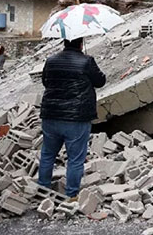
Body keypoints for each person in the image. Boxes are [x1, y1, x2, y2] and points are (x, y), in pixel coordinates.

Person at [38, 37, 106, 199]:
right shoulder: (87, 61)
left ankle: (42, 190)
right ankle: (71, 195)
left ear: (65, 43)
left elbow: (45, 81)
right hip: (76, 118)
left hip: (51, 115)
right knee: (75, 159)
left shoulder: (51, 60)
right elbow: (100, 81)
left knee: (47, 155)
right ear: (81, 44)